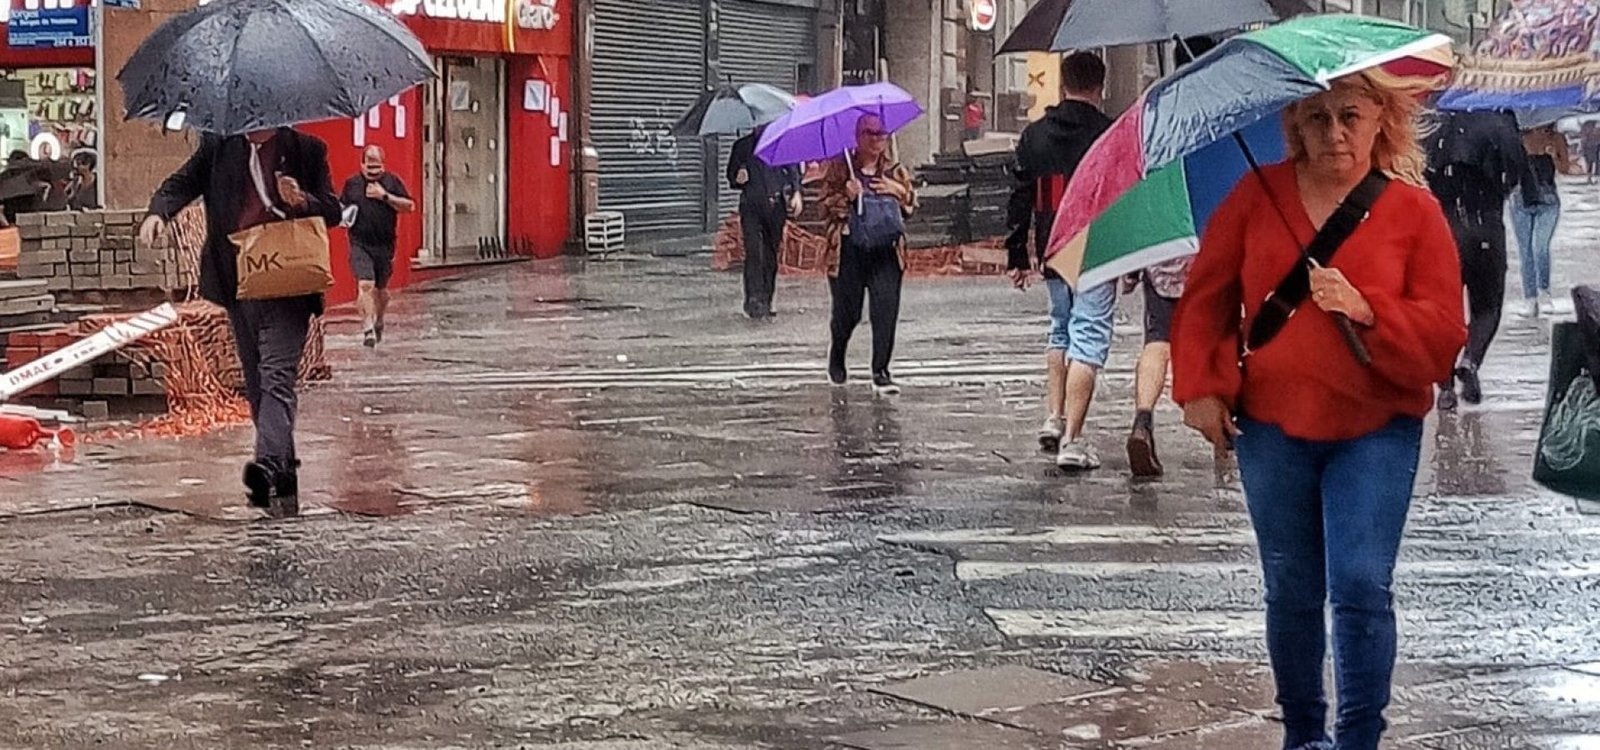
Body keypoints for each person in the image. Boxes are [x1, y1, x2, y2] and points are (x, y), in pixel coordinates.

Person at [1172, 71, 1466, 750]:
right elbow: (1205, 301)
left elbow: (1445, 333)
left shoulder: (1414, 213)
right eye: (1317, 118)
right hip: (1272, 427)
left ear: (1379, 122)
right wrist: (1200, 388)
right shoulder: (1255, 196)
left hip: (1377, 429)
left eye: (1350, 117)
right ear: (1296, 128)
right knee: (1291, 587)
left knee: (1361, 582)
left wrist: (1366, 309)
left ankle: (1358, 737)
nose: (1334, 133)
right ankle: (1303, 735)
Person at [141, 127, 343, 515]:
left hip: (289, 283)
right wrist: (158, 212)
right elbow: (183, 182)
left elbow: (332, 210)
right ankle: (283, 473)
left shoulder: (306, 150)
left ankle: (266, 464)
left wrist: (302, 200)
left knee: (277, 377)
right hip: (238, 282)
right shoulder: (219, 147)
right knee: (256, 385)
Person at [1004, 51, 1115, 470]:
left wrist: (1018, 254)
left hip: (1052, 245)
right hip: (1097, 247)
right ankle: (1073, 440)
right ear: (1099, 87)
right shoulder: (1109, 135)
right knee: (1088, 336)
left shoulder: (1035, 136)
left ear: (1062, 83)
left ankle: (1054, 416)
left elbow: (1020, 196)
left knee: (1060, 329)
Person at [1123, 35, 1216, 478]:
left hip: (1163, 242)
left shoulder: (1151, 117)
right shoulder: (1218, 113)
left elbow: (1134, 183)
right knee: (1216, 338)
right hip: (1210, 242)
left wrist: (1131, 255)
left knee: (1156, 341)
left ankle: (1143, 419)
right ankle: (1224, 433)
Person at [1427, 110, 1526, 411]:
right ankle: (1471, 358)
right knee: (1487, 307)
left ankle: (1444, 387)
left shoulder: (1432, 127)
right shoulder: (1498, 125)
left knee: (1444, 313)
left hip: (1444, 233)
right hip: (1486, 228)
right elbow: (1515, 174)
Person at [817, 114, 917, 396]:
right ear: (858, 137)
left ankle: (881, 371)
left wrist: (898, 192)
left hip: (886, 252)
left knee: (885, 310)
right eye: (870, 133)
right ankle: (837, 355)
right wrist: (846, 198)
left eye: (882, 134)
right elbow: (824, 208)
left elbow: (911, 205)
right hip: (849, 251)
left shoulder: (895, 170)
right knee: (847, 313)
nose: (877, 139)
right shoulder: (841, 169)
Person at [341, 145, 415, 347]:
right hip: (359, 242)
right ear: (361, 164)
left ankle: (379, 320)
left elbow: (410, 206)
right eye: (369, 167)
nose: (373, 172)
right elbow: (342, 209)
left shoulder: (392, 182)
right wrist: (343, 217)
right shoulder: (352, 184)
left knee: (381, 290)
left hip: (384, 244)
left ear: (383, 165)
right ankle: (367, 329)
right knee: (365, 284)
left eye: (377, 168)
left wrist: (385, 196)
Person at [727, 124, 802, 319]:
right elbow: (731, 176)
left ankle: (767, 298)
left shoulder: (781, 145)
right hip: (751, 206)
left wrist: (796, 193)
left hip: (775, 206)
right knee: (754, 251)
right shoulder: (742, 147)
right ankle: (753, 299)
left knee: (770, 253)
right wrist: (738, 178)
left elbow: (793, 171)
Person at [1512, 123, 1573, 317]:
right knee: (1526, 252)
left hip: (1548, 201)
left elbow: (1565, 169)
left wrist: (1554, 155)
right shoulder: (1518, 139)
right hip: (1522, 201)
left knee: (1540, 247)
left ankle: (1544, 293)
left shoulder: (1556, 139)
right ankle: (1530, 298)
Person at [1581, 120, 1600, 185]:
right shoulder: (1588, 137)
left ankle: (1593, 179)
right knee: (1590, 165)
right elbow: (1583, 143)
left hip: (1594, 152)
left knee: (1594, 165)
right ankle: (1590, 178)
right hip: (1590, 152)